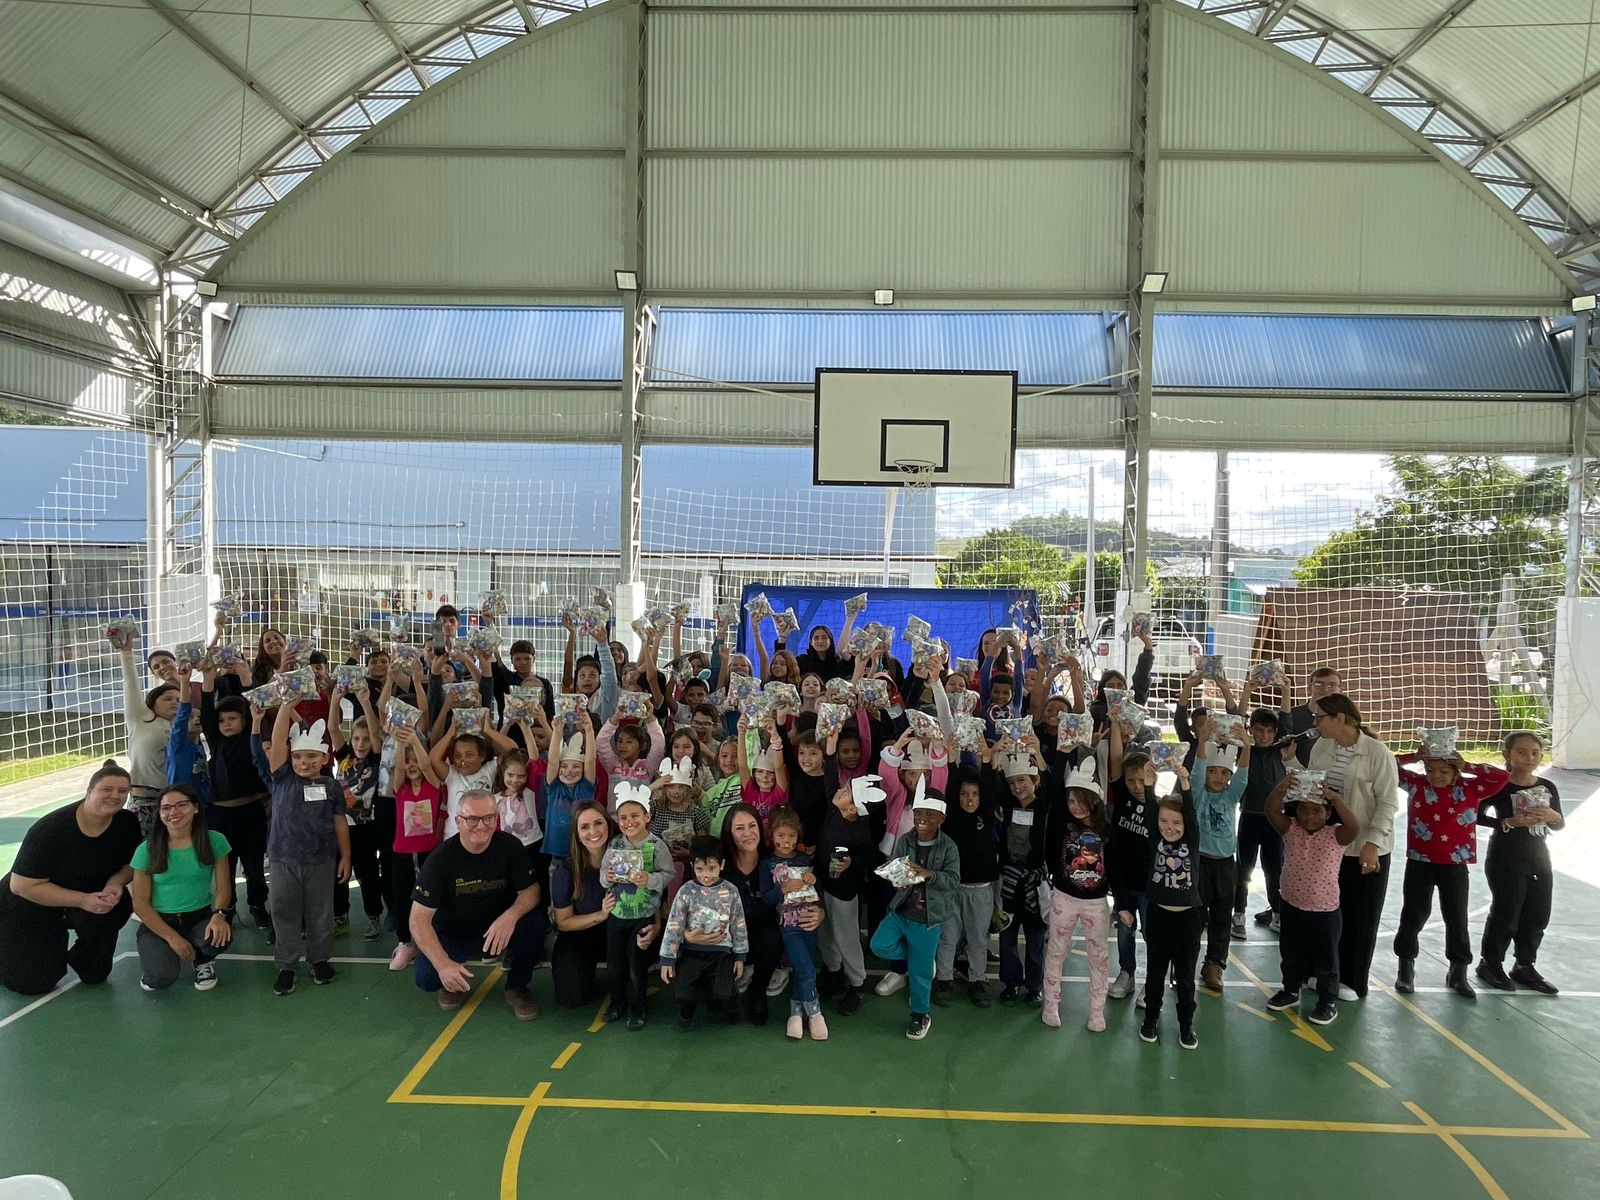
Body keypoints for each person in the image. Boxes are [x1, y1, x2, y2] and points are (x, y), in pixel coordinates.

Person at [0, 761, 142, 996]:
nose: (115, 796)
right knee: (32, 984)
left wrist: (116, 882)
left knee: (96, 972)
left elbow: (131, 864)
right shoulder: (50, 829)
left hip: (87, 896)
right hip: (31, 902)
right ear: (89, 791)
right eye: (107, 789)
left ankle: (82, 956)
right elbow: (21, 886)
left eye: (122, 791)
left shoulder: (126, 822)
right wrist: (83, 900)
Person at [409, 790, 542, 1020]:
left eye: (488, 818)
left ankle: (517, 986)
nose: (481, 825)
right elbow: (418, 919)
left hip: (498, 931)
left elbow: (532, 890)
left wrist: (510, 916)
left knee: (534, 923)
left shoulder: (510, 846)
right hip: (455, 933)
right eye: (472, 819)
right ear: (458, 821)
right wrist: (442, 964)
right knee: (426, 978)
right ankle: (452, 982)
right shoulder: (440, 860)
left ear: (496, 818)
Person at [1392, 733, 1506, 998]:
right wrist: (1414, 756)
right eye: (1430, 769)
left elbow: (1501, 777)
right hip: (1420, 861)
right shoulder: (1417, 784)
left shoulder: (1470, 787)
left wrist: (1469, 766)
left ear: (1455, 770)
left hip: (1455, 864)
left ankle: (1458, 970)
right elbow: (1388, 765)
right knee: (1413, 914)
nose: (1436, 776)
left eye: (1444, 770)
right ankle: (1405, 967)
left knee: (1456, 917)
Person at [1306, 694, 1398, 1002]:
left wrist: (1373, 843)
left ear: (1340, 718)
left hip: (1364, 847)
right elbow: (1314, 787)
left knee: (1361, 915)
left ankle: (1353, 980)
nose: (1315, 723)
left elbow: (1388, 803)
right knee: (1328, 912)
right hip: (1331, 844)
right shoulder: (1321, 747)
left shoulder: (1377, 753)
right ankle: (1324, 971)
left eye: (1320, 717)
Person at [265, 709, 351, 996]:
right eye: (298, 757)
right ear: (290, 759)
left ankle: (320, 959)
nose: (304, 762)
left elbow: (340, 822)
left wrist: (346, 856)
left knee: (321, 912)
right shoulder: (282, 779)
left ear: (324, 758)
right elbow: (278, 740)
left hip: (321, 860)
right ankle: (287, 965)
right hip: (283, 859)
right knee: (283, 910)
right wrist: (285, 707)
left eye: (312, 756)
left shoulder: (331, 786)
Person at [1265, 777, 1362, 1025]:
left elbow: (1354, 826)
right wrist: (1282, 787)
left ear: (1328, 813)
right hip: (1291, 905)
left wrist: (1335, 798)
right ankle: (1290, 990)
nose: (1309, 817)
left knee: (1326, 959)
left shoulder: (1335, 835)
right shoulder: (1290, 829)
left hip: (1324, 911)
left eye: (1317, 811)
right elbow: (1270, 809)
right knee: (1291, 953)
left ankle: (1327, 1001)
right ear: (1295, 810)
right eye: (1304, 810)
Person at [1475, 731, 1564, 995]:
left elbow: (1559, 824)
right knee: (1506, 912)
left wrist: (1552, 815)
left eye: (1535, 753)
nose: (1529, 758)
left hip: (1539, 857)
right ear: (1507, 755)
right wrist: (1506, 822)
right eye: (1522, 752)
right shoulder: (1499, 785)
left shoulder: (1547, 786)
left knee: (1537, 913)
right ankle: (1490, 963)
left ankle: (1525, 964)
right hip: (1505, 857)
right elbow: (1475, 814)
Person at [869, 783, 959, 1041]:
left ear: (941, 818)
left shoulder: (948, 847)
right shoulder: (906, 840)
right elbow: (899, 867)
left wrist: (929, 875)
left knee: (920, 975)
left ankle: (920, 1014)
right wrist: (896, 877)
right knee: (878, 945)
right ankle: (922, 958)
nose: (922, 819)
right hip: (901, 910)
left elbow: (953, 880)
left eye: (929, 814)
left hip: (927, 919)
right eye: (918, 813)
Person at [130, 785, 233, 992]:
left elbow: (224, 887)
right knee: (160, 979)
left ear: (195, 808)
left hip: (199, 916)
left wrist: (219, 915)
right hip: (160, 920)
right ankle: (159, 960)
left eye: (181, 805)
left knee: (219, 938)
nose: (173, 812)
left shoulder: (215, 840)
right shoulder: (146, 849)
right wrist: (172, 938)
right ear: (159, 814)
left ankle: (202, 960)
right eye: (166, 808)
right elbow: (140, 904)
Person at [1038, 761, 1113, 1032]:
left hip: (1096, 903)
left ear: (1094, 800)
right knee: (1056, 950)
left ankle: (1097, 1010)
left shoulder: (1106, 828)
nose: (1076, 807)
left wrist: (1123, 902)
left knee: (1099, 956)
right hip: (1064, 897)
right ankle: (1051, 1005)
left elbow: (1116, 864)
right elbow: (1056, 786)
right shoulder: (1063, 821)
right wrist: (1062, 753)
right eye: (1071, 801)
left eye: (1082, 801)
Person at [199, 659, 270, 936]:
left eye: (232, 719)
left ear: (244, 719)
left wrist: (244, 675)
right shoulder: (216, 741)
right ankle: (226, 909)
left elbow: (253, 705)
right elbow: (207, 711)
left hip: (250, 811)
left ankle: (258, 906)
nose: (226, 724)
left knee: (254, 866)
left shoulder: (250, 737)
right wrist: (208, 678)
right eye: (222, 721)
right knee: (224, 867)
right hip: (219, 815)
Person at [1131, 784, 1200, 1048]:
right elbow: (1150, 812)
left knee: (1185, 977)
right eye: (1164, 821)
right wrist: (1149, 784)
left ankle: (1186, 1025)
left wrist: (1185, 784)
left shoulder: (1191, 841)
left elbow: (1190, 813)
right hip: (1158, 916)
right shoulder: (1155, 839)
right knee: (1155, 973)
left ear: (1186, 824)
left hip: (1187, 920)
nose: (1168, 827)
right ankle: (1150, 1019)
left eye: (1176, 822)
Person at [600, 783, 673, 1031]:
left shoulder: (656, 845)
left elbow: (669, 874)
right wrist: (608, 877)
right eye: (623, 817)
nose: (629, 822)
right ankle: (617, 1001)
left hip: (643, 915)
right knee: (615, 964)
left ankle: (637, 1006)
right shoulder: (615, 845)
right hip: (617, 914)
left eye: (635, 816)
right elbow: (603, 874)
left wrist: (649, 879)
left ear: (647, 817)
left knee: (635, 965)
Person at [659, 834, 749, 1030]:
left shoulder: (731, 891)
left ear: (722, 865)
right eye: (700, 869)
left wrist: (740, 956)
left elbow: (738, 924)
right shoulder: (686, 891)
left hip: (721, 953)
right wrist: (667, 958)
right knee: (682, 993)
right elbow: (674, 924)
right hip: (692, 952)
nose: (706, 875)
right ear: (692, 866)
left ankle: (732, 1007)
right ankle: (687, 1009)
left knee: (723, 992)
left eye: (712, 868)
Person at [816, 776, 881, 1016]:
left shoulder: (859, 831)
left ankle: (857, 983)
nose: (840, 791)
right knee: (825, 933)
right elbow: (830, 779)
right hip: (822, 883)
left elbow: (870, 858)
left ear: (853, 808)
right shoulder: (837, 809)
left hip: (843, 892)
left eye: (846, 792)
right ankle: (833, 971)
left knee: (846, 937)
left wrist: (852, 862)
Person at [760, 805, 827, 1041]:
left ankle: (796, 1012)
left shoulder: (804, 860)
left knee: (802, 967)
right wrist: (782, 888)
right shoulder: (767, 864)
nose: (786, 841)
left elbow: (817, 893)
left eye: (791, 835)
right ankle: (815, 1012)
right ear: (772, 836)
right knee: (806, 969)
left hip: (809, 921)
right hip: (787, 925)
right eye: (781, 835)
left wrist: (813, 878)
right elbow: (766, 898)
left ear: (798, 836)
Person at [934, 767, 998, 1008]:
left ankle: (977, 980)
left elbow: (990, 791)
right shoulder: (951, 818)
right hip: (952, 889)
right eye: (964, 794)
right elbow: (950, 789)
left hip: (980, 891)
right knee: (948, 937)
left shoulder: (986, 816)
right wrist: (951, 762)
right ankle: (944, 979)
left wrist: (988, 762)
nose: (969, 799)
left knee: (978, 938)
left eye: (975, 794)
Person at [1194, 738, 1251, 992]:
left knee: (1221, 917)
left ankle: (1214, 964)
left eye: (1224, 773)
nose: (1218, 777)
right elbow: (1196, 773)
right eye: (1213, 771)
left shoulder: (1230, 796)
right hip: (1199, 862)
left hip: (1226, 866)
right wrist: (1203, 739)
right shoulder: (1198, 794)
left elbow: (1243, 778)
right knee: (1195, 916)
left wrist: (1246, 746)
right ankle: (1186, 959)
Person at [549, 801, 617, 1009]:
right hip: (580, 934)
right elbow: (564, 922)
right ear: (577, 834)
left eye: (598, 823)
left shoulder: (627, 859)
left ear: (608, 825)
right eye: (585, 827)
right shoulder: (565, 870)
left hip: (619, 932)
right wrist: (601, 914)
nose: (593, 831)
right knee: (571, 997)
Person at [387, 726, 444, 972]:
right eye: (408, 762)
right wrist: (401, 742)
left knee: (430, 898)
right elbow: (399, 768)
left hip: (428, 852)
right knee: (402, 898)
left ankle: (431, 940)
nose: (412, 766)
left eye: (415, 761)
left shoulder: (433, 786)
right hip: (402, 853)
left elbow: (428, 766)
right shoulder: (401, 788)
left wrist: (414, 740)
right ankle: (406, 942)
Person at [113, 628, 176, 834]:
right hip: (144, 800)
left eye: (178, 699)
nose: (174, 702)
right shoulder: (141, 719)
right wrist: (126, 653)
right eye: (167, 699)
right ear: (153, 703)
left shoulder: (182, 726)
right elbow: (130, 684)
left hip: (173, 801)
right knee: (143, 849)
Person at [1106, 751, 1154, 1004]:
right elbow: (1116, 757)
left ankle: (1153, 981)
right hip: (1125, 884)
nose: (1137, 786)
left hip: (1149, 887)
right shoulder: (1122, 799)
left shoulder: (1157, 805)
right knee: (1125, 932)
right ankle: (1127, 973)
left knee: (1151, 934)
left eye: (1142, 780)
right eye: (1131, 780)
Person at [1235, 707, 1288, 935]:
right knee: (1243, 868)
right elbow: (1236, 718)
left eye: (1269, 731)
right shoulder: (1245, 750)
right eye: (1258, 730)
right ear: (1251, 730)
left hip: (1274, 820)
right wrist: (1247, 690)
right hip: (1249, 816)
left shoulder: (1278, 751)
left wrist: (1285, 690)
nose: (1264, 736)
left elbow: (1286, 720)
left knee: (1274, 869)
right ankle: (1238, 914)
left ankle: (1277, 914)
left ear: (1275, 733)